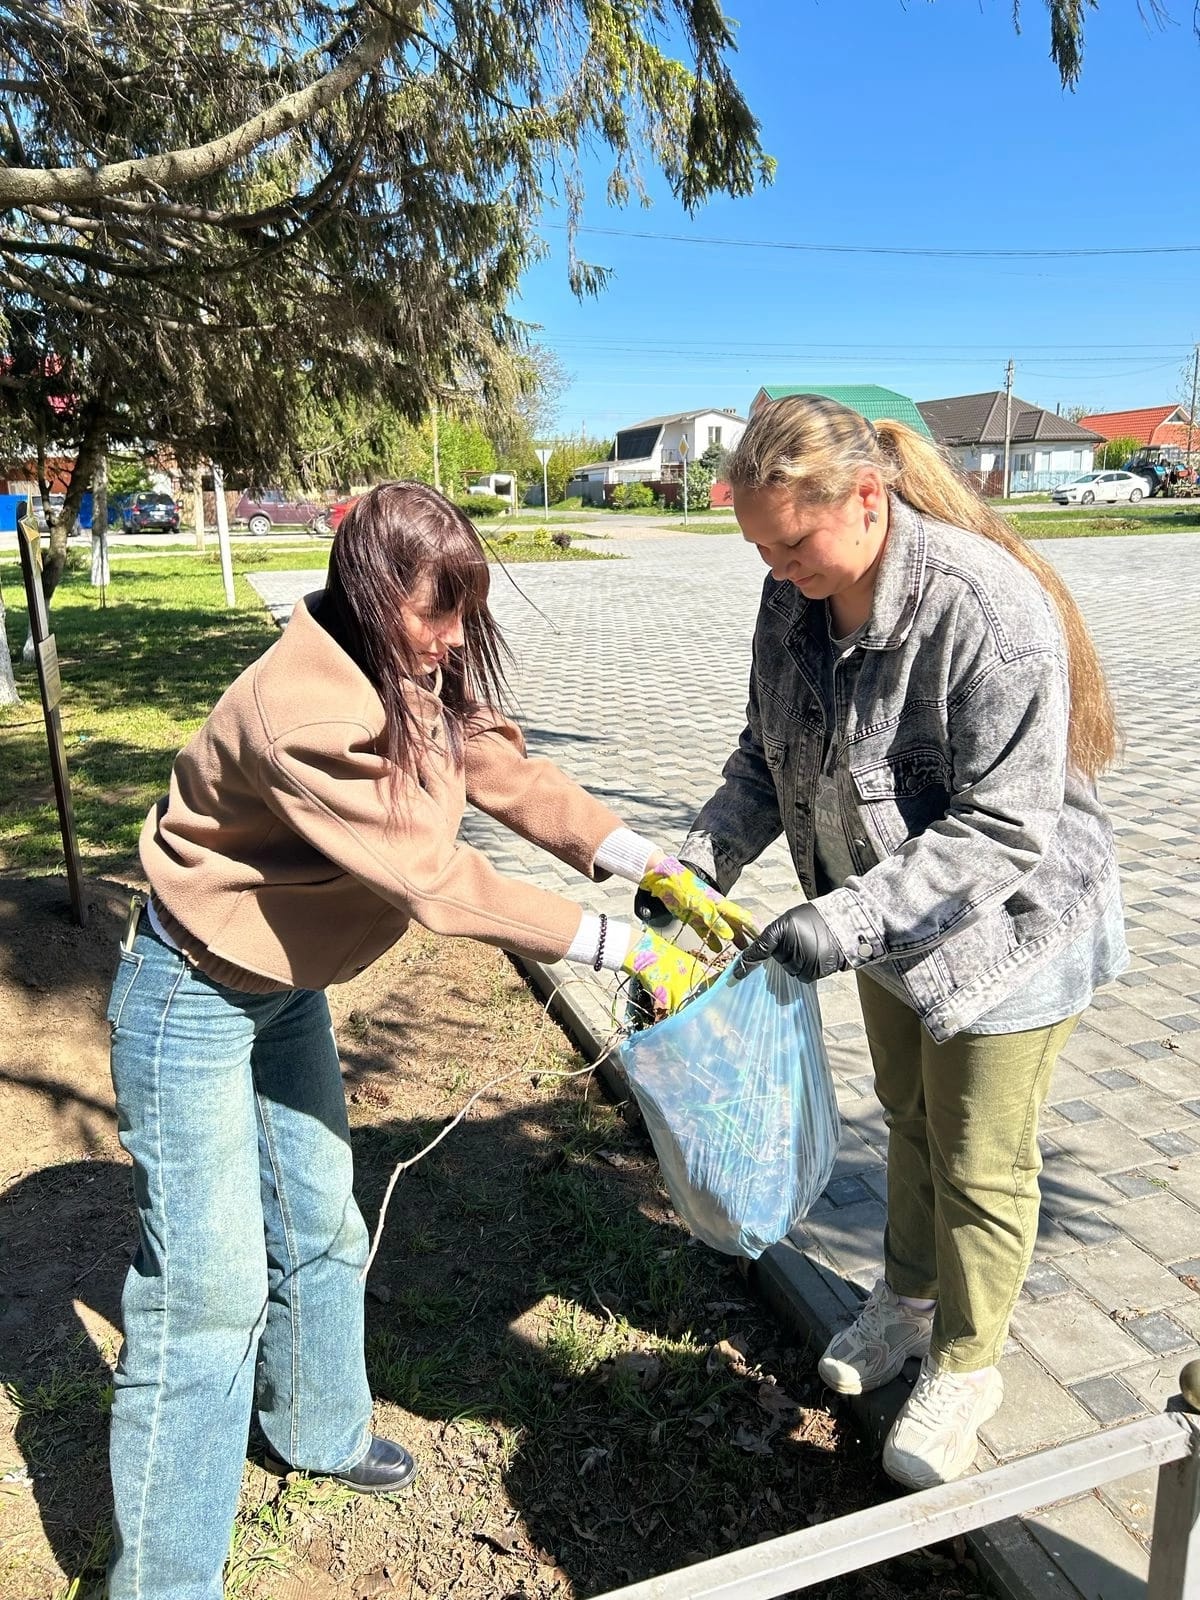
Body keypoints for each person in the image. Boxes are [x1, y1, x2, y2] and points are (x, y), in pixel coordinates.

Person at [104, 481, 754, 1600]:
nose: (455, 636)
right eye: (436, 611)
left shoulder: (407, 664)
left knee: (319, 1219)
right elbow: (437, 881)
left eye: (466, 611)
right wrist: (625, 949)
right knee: (204, 1298)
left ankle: (316, 1428)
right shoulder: (301, 713)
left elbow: (503, 770)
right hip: (192, 994)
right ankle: (163, 1583)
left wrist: (648, 862)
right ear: (368, 593)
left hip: (283, 986)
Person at [669, 395, 1126, 1490]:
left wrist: (841, 919)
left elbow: (1004, 827)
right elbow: (765, 752)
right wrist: (699, 862)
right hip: (881, 925)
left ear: (867, 498)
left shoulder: (987, 611)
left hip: (1009, 936)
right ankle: (907, 1300)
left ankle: (968, 1364)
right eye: (760, 550)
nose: (779, 571)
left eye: (793, 544)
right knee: (910, 1119)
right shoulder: (792, 601)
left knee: (979, 1159)